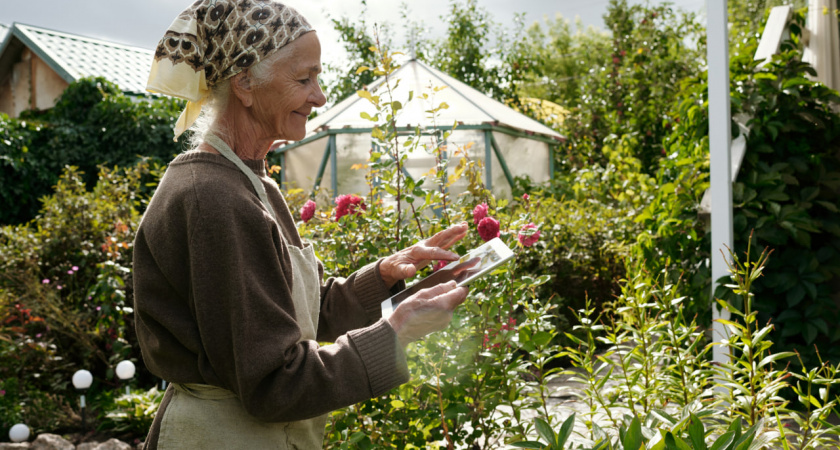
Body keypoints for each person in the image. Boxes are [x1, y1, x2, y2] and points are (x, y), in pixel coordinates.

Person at [133, 1, 469, 448]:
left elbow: (297, 315)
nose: (320, 96)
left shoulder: (252, 183)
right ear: (245, 82)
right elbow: (273, 382)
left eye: (318, 77)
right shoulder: (212, 198)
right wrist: (395, 332)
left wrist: (385, 275)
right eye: (303, 78)